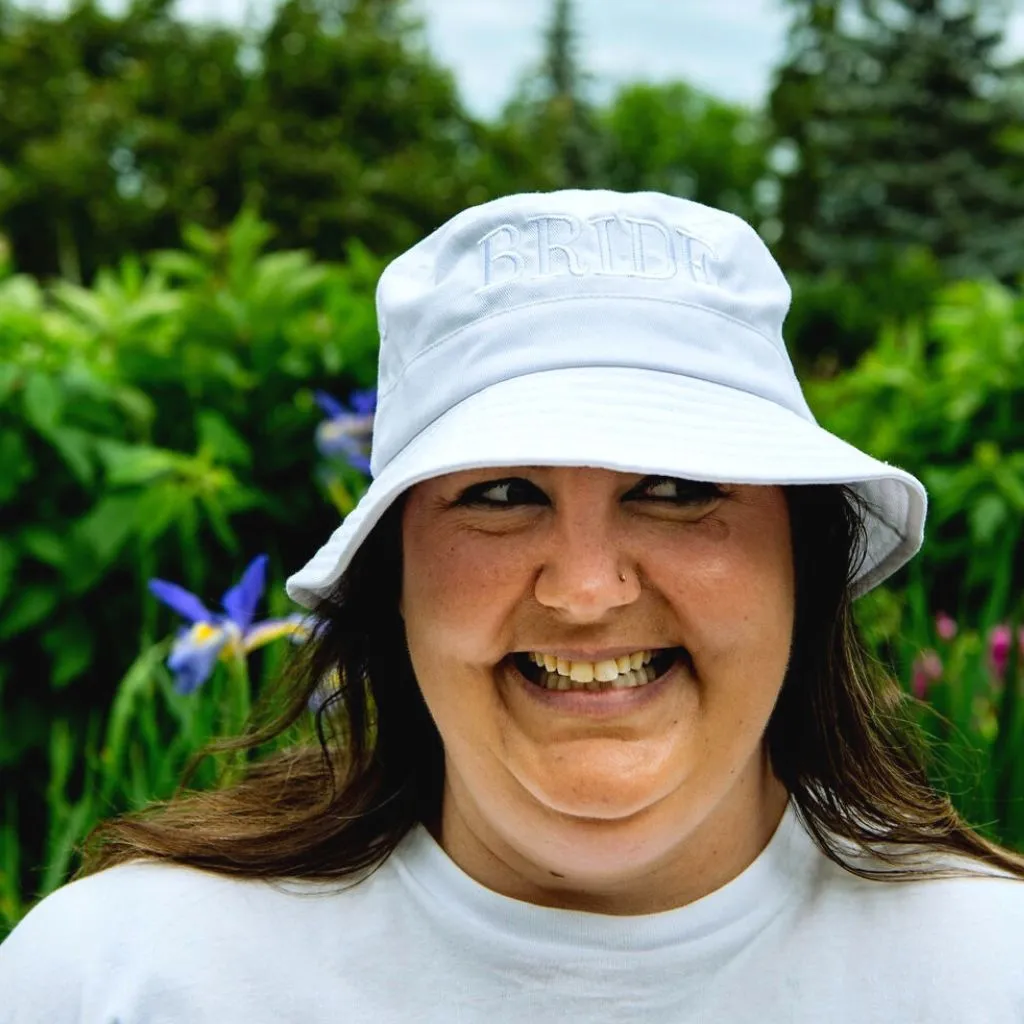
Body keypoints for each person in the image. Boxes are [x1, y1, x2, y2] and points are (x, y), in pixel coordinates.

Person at [2, 189, 1024, 1023]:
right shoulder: (117, 977)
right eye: (498, 494)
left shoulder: (990, 976)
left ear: (800, 554)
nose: (585, 589)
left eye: (673, 488)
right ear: (389, 574)